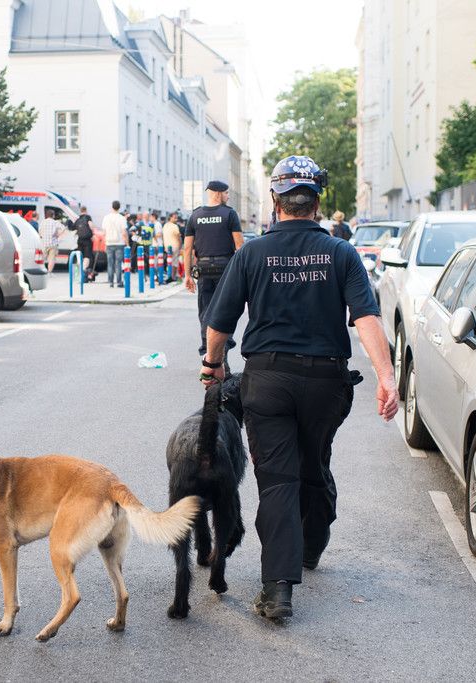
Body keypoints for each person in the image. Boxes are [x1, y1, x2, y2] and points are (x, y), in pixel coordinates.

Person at [198, 155, 399, 622]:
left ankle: (277, 589)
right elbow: (366, 318)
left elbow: (219, 323)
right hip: (326, 384)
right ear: (317, 203)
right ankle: (311, 544)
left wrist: (213, 366)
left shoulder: (252, 254)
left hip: (267, 381)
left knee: (278, 480)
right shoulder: (341, 253)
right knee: (314, 463)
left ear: (276, 201)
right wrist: (386, 376)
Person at [183, 180, 243, 356]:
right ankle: (222, 350)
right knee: (226, 310)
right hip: (225, 268)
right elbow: (240, 246)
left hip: (203, 269)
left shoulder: (195, 215)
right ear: (218, 193)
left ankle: (207, 351)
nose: (228, 196)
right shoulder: (230, 214)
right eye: (226, 193)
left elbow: (187, 248)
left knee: (206, 312)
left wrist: (187, 275)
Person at [102, 200, 129, 287]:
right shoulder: (122, 218)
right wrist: (127, 243)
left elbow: (104, 232)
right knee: (118, 263)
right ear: (119, 207)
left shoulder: (106, 217)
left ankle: (111, 282)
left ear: (112, 207)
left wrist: (104, 243)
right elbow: (124, 232)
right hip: (119, 243)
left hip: (109, 243)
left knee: (110, 263)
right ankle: (119, 282)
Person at [71, 206, 96, 281]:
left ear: (81, 211)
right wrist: (93, 233)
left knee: (79, 256)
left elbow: (73, 228)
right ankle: (83, 271)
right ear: (86, 210)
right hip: (87, 240)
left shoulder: (78, 219)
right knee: (87, 257)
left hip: (80, 240)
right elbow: (91, 225)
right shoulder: (88, 217)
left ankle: (77, 275)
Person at [162, 212, 182, 281]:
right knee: (174, 262)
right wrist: (180, 246)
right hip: (175, 246)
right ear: (170, 217)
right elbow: (178, 237)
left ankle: (170, 276)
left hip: (167, 246)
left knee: (169, 262)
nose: (176, 219)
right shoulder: (175, 226)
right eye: (175, 218)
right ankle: (173, 277)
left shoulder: (165, 225)